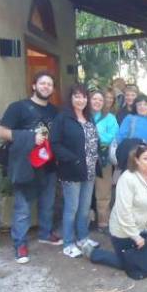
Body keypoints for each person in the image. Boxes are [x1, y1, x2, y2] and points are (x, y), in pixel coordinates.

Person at [0, 71, 62, 263]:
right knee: (23, 208)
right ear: (34, 85)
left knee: (47, 204)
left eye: (49, 84)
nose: (46, 87)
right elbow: (2, 132)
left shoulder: (54, 111)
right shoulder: (18, 108)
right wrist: (29, 137)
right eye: (42, 83)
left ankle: (45, 233)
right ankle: (20, 244)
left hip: (48, 165)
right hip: (25, 166)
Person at [83, 144, 147, 268]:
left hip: (144, 226)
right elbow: (123, 213)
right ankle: (94, 253)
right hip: (124, 231)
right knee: (128, 265)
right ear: (136, 160)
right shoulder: (127, 179)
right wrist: (136, 237)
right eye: (146, 158)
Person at [50, 84, 100, 258]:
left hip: (90, 170)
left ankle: (83, 238)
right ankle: (69, 242)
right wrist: (73, 158)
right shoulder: (63, 118)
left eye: (84, 96)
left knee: (84, 208)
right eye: (77, 96)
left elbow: (93, 142)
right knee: (72, 208)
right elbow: (54, 143)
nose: (81, 100)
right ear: (70, 98)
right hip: (71, 170)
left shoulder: (89, 118)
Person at [90, 90, 119, 231]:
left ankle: (103, 221)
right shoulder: (83, 116)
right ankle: (87, 219)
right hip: (85, 159)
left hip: (103, 159)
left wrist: (94, 136)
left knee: (103, 191)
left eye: (100, 100)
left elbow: (114, 135)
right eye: (94, 99)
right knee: (85, 192)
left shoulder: (110, 118)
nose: (97, 102)